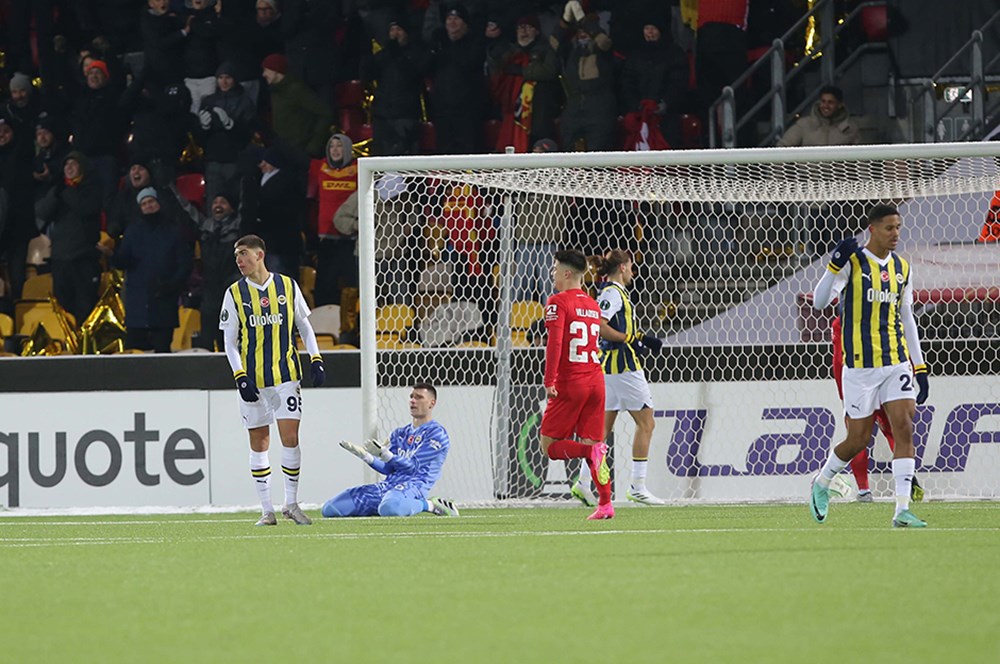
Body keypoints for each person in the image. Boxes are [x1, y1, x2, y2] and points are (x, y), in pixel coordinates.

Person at [810, 204, 930, 528]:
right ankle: (822, 482)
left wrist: (919, 366)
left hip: (895, 362)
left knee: (904, 425)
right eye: (889, 228)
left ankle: (901, 509)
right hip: (860, 368)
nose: (895, 234)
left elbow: (907, 318)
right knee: (858, 439)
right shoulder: (853, 262)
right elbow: (820, 302)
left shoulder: (903, 268)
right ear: (872, 229)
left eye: (898, 227)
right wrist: (832, 267)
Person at [219, 234, 326, 526]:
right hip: (253, 380)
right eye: (236, 255)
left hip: (286, 376)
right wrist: (240, 376)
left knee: (290, 437)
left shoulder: (287, 286)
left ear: (259, 254)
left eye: (243, 253)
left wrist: (315, 359)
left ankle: (290, 503)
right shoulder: (234, 293)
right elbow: (229, 341)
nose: (239, 260)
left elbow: (304, 326)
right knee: (259, 441)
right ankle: (267, 510)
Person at [572, 249, 666, 507]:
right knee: (646, 423)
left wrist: (641, 338)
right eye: (631, 266)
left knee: (600, 429)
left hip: (607, 369)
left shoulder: (612, 293)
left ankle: (582, 482)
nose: (633, 271)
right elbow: (600, 324)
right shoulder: (613, 293)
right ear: (623, 267)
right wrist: (629, 340)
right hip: (624, 368)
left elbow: (619, 326)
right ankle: (637, 486)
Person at [540, 249, 613, 520]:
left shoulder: (558, 302)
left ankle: (589, 452)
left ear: (567, 274)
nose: (553, 273)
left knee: (549, 446)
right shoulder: (593, 305)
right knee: (594, 442)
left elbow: (556, 343)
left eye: (556, 268)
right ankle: (605, 504)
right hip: (596, 381)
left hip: (572, 382)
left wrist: (550, 380)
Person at [323, 383, 459, 518]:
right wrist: (366, 457)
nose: (413, 400)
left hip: (413, 486)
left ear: (431, 403)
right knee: (331, 509)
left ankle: (431, 505)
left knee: (390, 508)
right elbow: (388, 469)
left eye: (419, 397)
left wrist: (385, 454)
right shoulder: (400, 433)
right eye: (411, 396)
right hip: (388, 486)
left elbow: (413, 467)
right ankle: (385, 506)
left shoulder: (436, 434)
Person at [830, 317, 923, 503]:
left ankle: (865, 490)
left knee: (857, 436)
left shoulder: (843, 322)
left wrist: (844, 394)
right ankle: (906, 480)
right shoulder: (889, 317)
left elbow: (839, 361)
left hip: (862, 383)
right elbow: (905, 349)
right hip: (885, 380)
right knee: (895, 431)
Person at [103, 187, 194, 353]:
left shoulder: (173, 231)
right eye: (144, 203)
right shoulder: (132, 231)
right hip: (137, 305)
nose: (148, 206)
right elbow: (123, 261)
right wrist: (112, 254)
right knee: (134, 355)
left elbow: (184, 264)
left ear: (159, 203)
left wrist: (171, 285)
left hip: (164, 303)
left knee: (162, 353)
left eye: (151, 201)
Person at [777, 85, 860, 147]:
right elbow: (782, 148)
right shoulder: (804, 125)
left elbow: (861, 157)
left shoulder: (851, 129)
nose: (826, 106)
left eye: (830, 102)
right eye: (823, 101)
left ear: (840, 105)